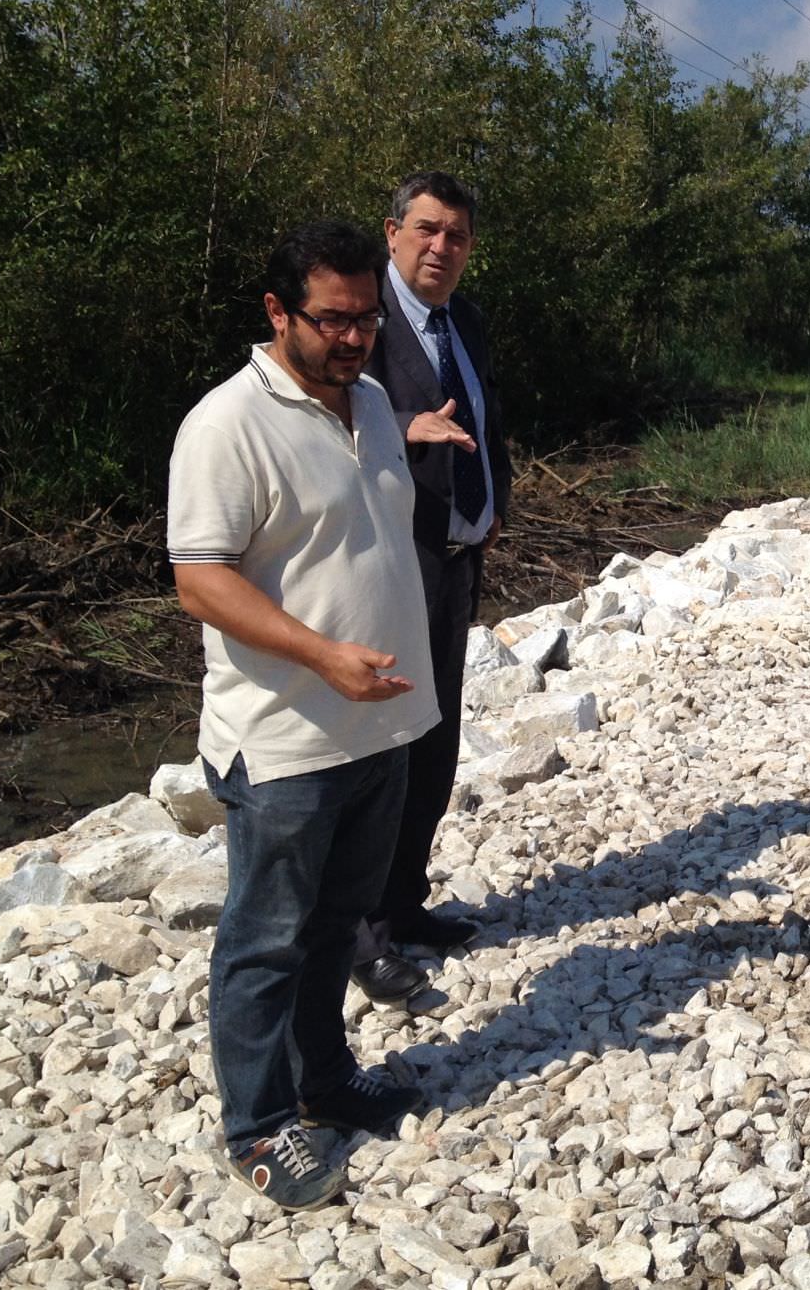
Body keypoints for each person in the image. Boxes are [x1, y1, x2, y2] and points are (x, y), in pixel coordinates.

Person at [168, 221, 436, 1209]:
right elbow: (200, 581)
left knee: (336, 929)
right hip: (283, 741)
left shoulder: (368, 401)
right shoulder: (225, 425)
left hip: (378, 731)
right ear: (278, 312)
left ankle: (325, 1082)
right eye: (333, 319)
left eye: (368, 316)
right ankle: (258, 1127)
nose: (356, 337)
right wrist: (324, 654)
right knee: (264, 941)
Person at [349, 170, 512, 1002]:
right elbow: (320, 424)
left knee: (436, 738)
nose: (440, 247)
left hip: (454, 559)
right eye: (426, 229)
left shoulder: (465, 321)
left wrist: (494, 507)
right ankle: (363, 934)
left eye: (455, 235)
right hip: (388, 562)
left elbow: (485, 420)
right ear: (391, 232)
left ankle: (404, 902)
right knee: (385, 747)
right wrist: (396, 428)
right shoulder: (358, 326)